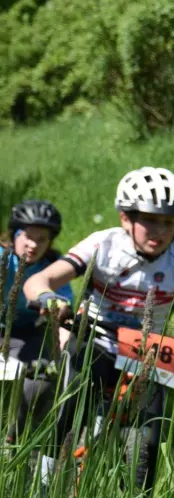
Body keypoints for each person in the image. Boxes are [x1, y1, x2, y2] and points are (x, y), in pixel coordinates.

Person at [24, 167, 174, 491]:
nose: (159, 230)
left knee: (148, 441)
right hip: (94, 339)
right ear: (125, 219)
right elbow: (39, 280)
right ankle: (42, 489)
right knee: (67, 410)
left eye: (169, 222)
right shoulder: (103, 245)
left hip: (148, 353)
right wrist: (48, 298)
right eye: (149, 219)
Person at [1, 200, 72, 467]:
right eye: (27, 237)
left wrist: (63, 349)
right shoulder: (1, 257)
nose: (33, 245)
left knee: (43, 378)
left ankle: (15, 439)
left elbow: (62, 316)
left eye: (41, 239)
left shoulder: (52, 270)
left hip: (29, 333)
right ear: (14, 234)